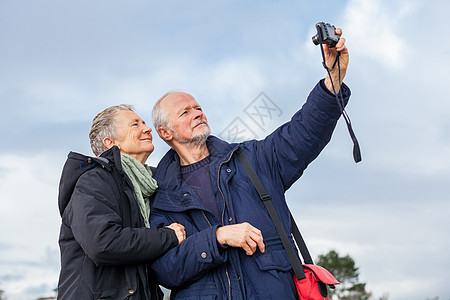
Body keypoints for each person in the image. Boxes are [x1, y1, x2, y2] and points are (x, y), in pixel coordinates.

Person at [148, 28, 350, 299]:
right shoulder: (160, 194)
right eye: (185, 112)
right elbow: (166, 269)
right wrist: (218, 237)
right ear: (165, 133)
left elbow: (303, 133)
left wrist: (332, 81)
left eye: (198, 107)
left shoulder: (253, 159)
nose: (197, 113)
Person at [57, 104, 186, 299]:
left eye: (143, 122)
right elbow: (102, 243)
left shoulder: (148, 184)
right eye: (135, 124)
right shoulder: (94, 181)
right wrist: (168, 237)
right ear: (110, 142)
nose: (147, 128)